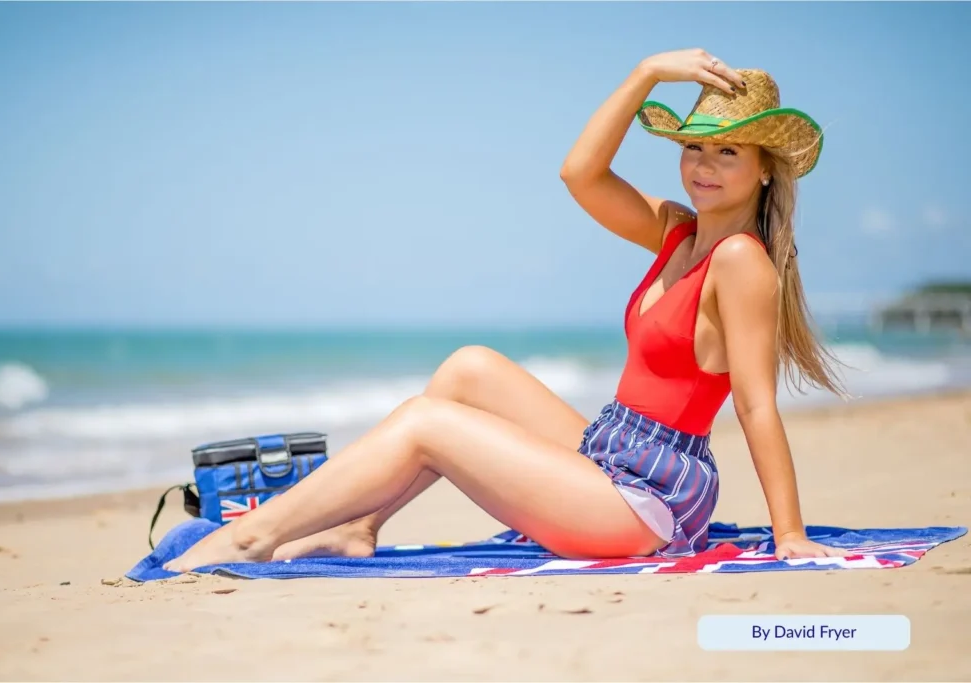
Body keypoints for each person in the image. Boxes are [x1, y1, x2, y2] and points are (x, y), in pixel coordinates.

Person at [164, 48, 849, 572]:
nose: (704, 165)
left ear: (765, 167)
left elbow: (756, 405)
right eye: (694, 147)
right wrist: (644, 73)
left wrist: (788, 534)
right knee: (468, 369)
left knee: (426, 424)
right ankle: (358, 526)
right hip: (612, 451)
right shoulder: (678, 230)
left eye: (728, 151)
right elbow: (580, 173)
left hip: (648, 502)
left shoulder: (739, 260)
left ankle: (252, 534)